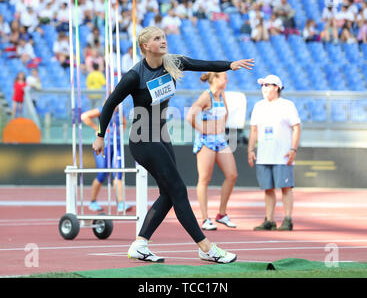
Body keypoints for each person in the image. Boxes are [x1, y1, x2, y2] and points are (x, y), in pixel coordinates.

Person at [93, 26, 254, 263]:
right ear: (146, 46)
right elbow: (110, 104)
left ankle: (140, 244)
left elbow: (203, 64)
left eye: (163, 37)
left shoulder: (173, 63)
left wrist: (229, 64)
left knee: (169, 194)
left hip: (161, 136)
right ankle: (206, 247)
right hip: (142, 138)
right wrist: (100, 135)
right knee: (178, 190)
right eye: (157, 38)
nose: (163, 41)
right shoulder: (134, 76)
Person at [247, 75, 301, 231]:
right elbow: (254, 130)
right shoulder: (258, 106)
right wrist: (250, 149)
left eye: (266, 85)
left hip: (282, 155)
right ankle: (269, 220)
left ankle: (288, 219)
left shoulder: (287, 105)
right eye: (262, 85)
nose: (264, 88)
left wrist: (293, 149)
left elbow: (296, 127)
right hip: (264, 154)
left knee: (286, 187)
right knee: (268, 189)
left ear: (276, 87)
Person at [186, 71, 237, 231]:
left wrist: (219, 127)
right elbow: (190, 116)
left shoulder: (222, 95)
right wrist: (203, 129)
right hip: (206, 141)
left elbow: (226, 113)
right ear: (215, 79)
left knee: (232, 174)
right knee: (204, 179)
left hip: (220, 140)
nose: (226, 80)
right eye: (224, 77)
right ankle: (205, 218)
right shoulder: (206, 96)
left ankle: (221, 214)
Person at [81, 107, 131, 213]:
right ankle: (93, 202)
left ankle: (121, 203)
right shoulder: (102, 109)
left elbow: (124, 123)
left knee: (118, 173)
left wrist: (119, 133)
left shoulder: (121, 111)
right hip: (104, 145)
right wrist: (97, 129)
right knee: (102, 174)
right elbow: (84, 116)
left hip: (117, 145)